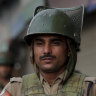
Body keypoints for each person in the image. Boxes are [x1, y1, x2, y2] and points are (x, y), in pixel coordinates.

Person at [3, 5, 96, 96]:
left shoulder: (89, 88)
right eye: (39, 43)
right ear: (32, 50)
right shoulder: (15, 89)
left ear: (69, 50)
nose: (47, 50)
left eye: (55, 43)